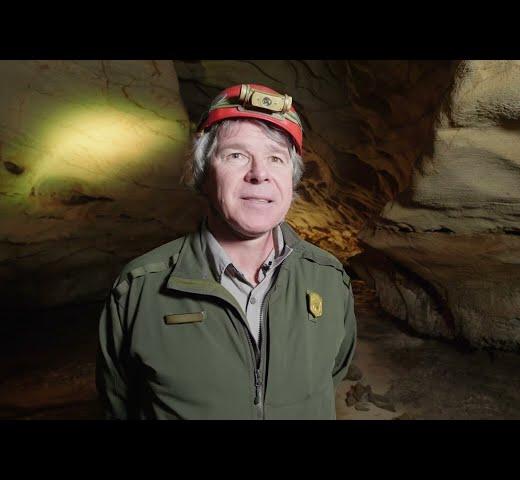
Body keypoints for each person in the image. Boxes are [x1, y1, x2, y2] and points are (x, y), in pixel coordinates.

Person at [96, 83, 357, 419]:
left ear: (292, 182)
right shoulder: (138, 289)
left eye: (276, 158)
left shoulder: (329, 279)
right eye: (236, 155)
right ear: (203, 173)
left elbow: (334, 371)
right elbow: (120, 404)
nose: (259, 174)